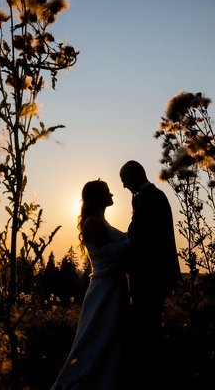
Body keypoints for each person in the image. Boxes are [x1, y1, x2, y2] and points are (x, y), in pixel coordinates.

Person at [52, 180, 131, 390]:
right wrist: (135, 238)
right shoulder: (93, 224)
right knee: (97, 340)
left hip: (115, 289)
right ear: (97, 196)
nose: (111, 194)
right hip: (105, 292)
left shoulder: (101, 221)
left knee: (112, 341)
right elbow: (115, 254)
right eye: (107, 191)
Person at [119, 160, 179, 386]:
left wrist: (126, 244)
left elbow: (150, 235)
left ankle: (152, 376)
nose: (124, 186)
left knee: (150, 327)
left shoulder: (155, 197)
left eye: (124, 180)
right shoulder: (141, 197)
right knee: (145, 326)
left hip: (153, 275)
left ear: (135, 174)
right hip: (144, 276)